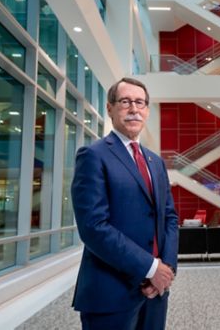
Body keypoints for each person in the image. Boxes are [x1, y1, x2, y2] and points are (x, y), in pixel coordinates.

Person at [71, 77, 179, 329]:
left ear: (147, 111)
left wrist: (166, 270)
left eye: (140, 102)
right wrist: (151, 268)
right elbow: (93, 227)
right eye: (125, 101)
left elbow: (169, 218)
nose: (134, 109)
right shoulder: (93, 156)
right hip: (111, 292)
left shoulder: (155, 161)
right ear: (110, 108)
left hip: (156, 292)